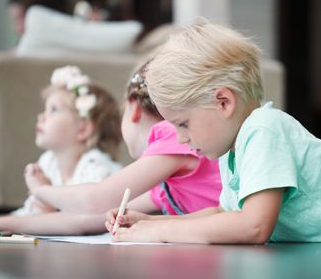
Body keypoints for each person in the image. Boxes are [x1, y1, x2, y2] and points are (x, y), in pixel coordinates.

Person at [106, 21, 321, 244]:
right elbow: (223, 215)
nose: (181, 139)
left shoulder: (263, 130)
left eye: (183, 124)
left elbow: (253, 227)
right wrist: (151, 221)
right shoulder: (234, 153)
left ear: (224, 102)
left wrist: (162, 232)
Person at [21, 60, 222, 218]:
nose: (181, 134)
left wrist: (41, 190)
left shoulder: (172, 137)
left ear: (133, 108)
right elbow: (87, 219)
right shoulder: (164, 190)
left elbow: (95, 202)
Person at [0, 66, 123, 236]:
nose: (41, 116)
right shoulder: (48, 162)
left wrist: (47, 209)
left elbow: (83, 221)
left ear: (83, 129)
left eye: (53, 109)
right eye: (44, 109)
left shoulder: (96, 168)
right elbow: (26, 214)